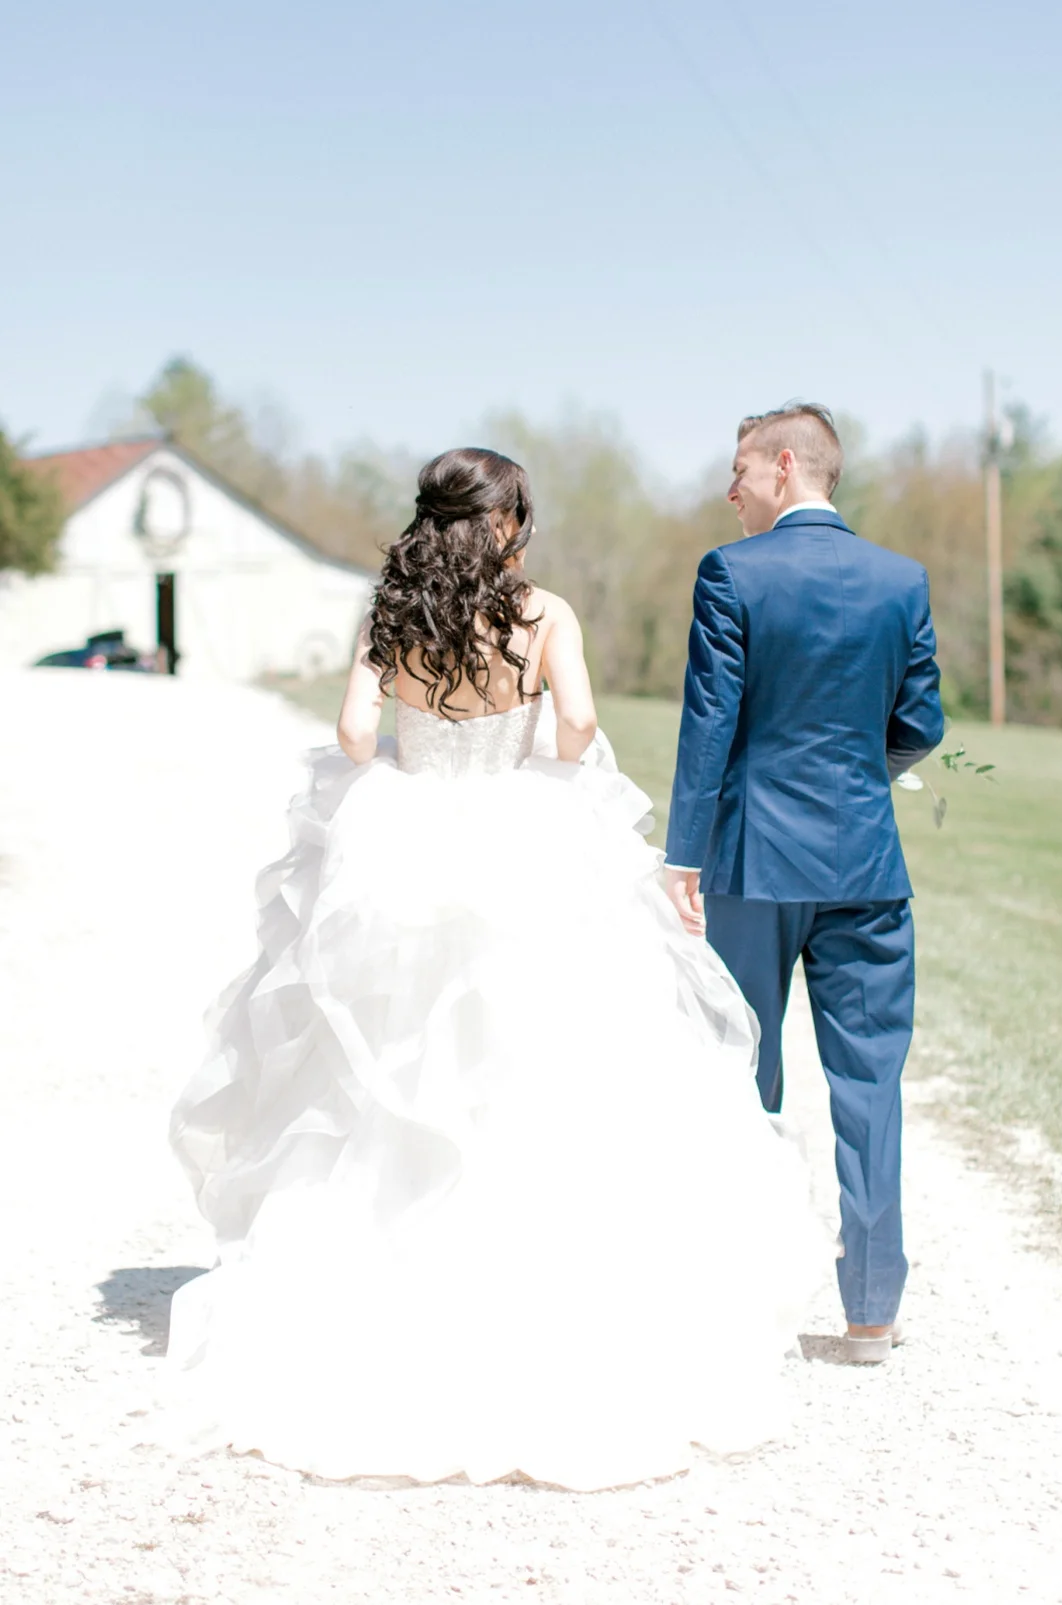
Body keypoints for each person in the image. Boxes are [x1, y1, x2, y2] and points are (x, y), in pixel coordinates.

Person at [167, 446, 825, 1491]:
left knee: (389, 1067)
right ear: (508, 520)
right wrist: (526, 759)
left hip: (406, 838)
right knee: (529, 1065)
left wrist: (410, 762)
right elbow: (576, 731)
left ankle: (385, 1290)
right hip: (521, 843)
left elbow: (349, 733)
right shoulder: (542, 612)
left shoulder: (390, 613)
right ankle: (527, 1293)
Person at [664, 404, 943, 1364]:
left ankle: (742, 1296)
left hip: (753, 864)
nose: (728, 488)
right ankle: (871, 1312)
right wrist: (865, 772)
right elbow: (923, 723)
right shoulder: (901, 581)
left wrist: (682, 856)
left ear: (785, 467)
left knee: (746, 1072)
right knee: (868, 1081)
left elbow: (709, 727)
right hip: (867, 863)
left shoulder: (731, 574)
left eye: (738, 468)